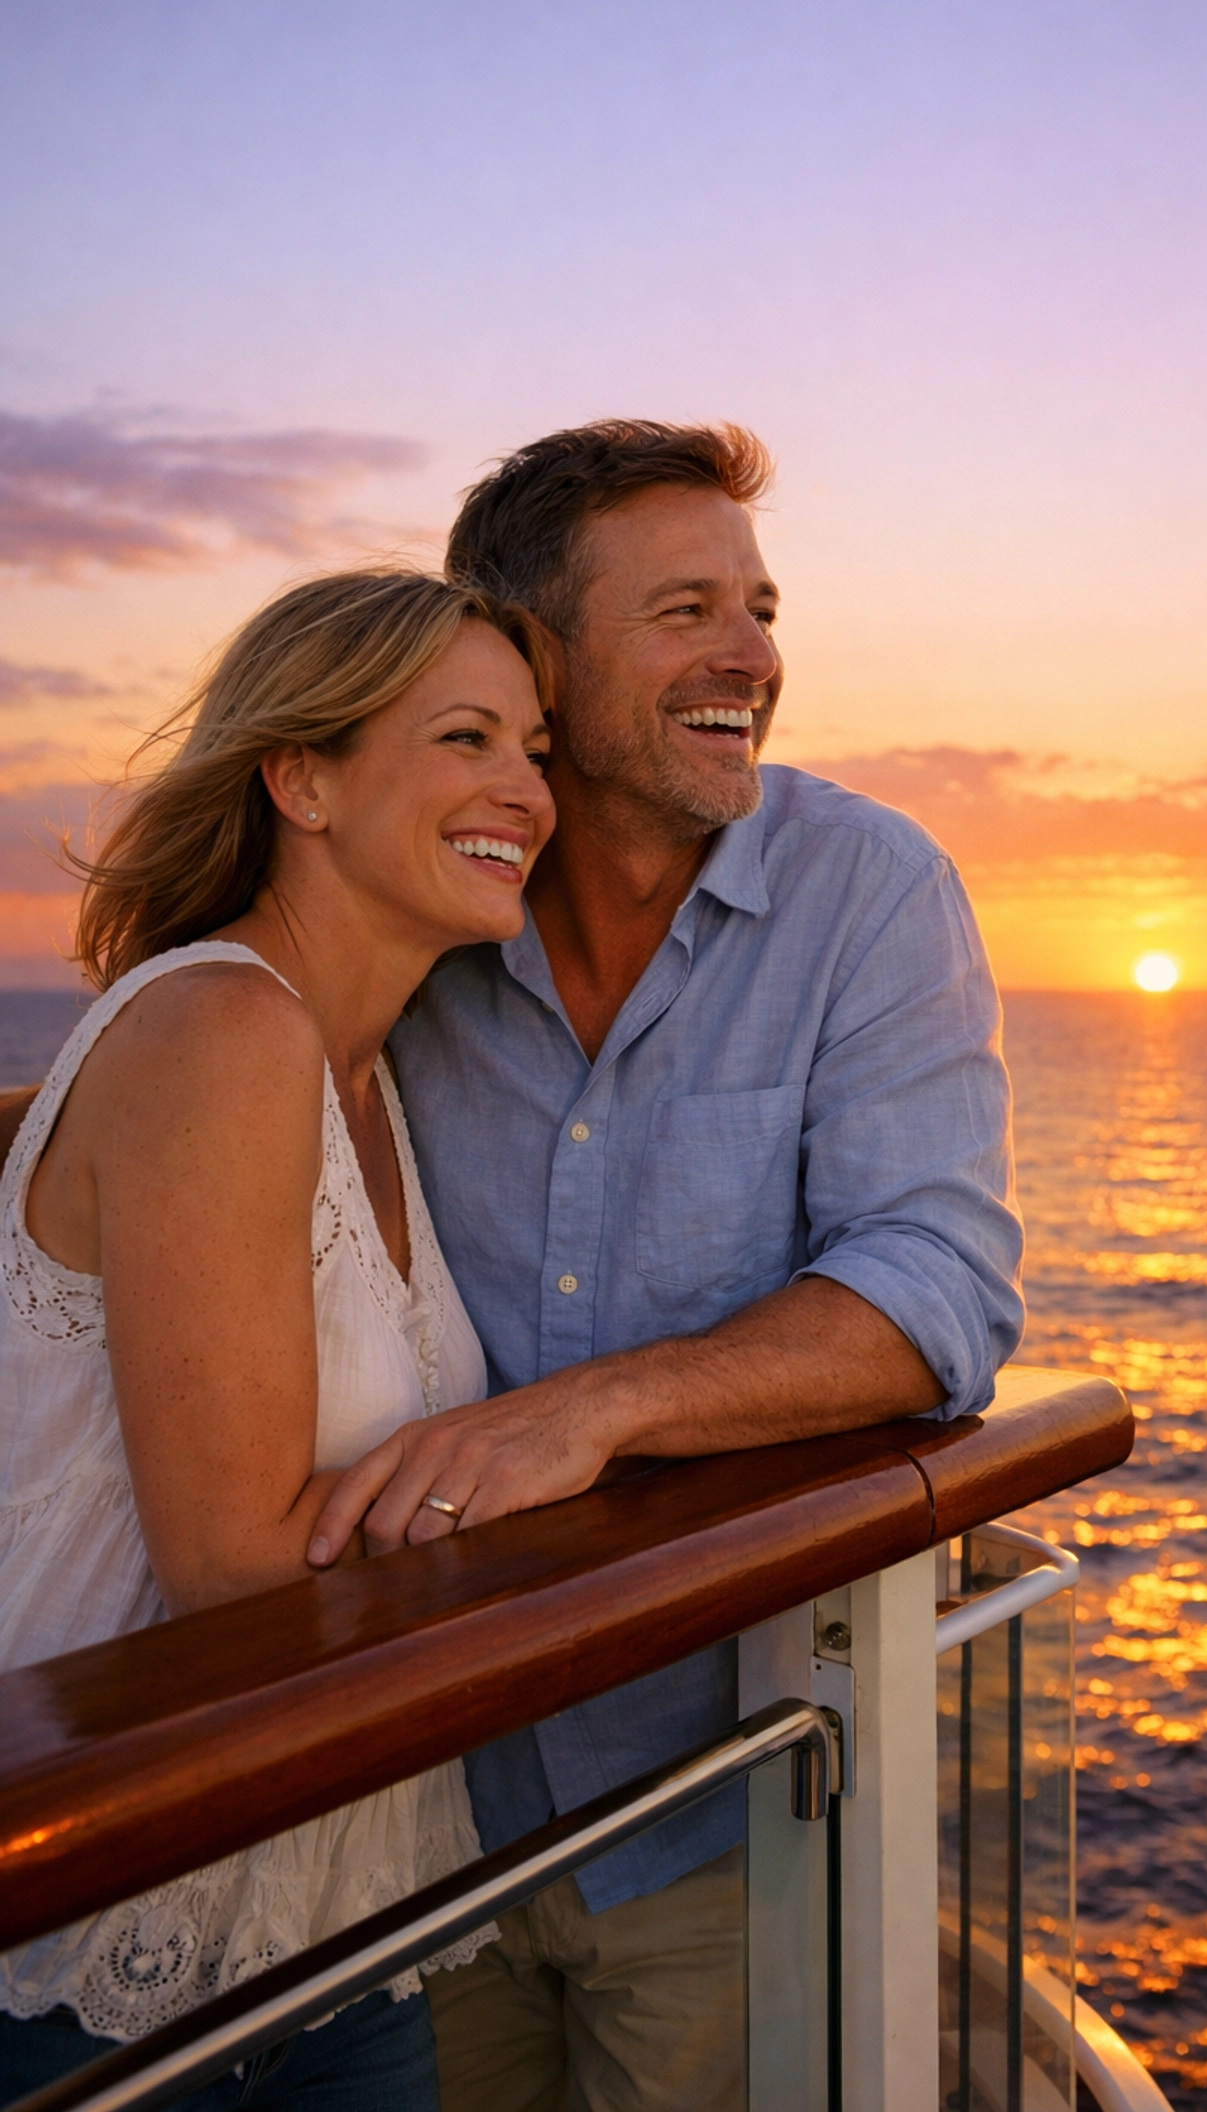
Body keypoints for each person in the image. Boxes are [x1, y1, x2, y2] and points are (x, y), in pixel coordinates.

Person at [306, 422, 1026, 2112]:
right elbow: (237, 1046)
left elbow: (940, 1285)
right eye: (687, 610)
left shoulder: (872, 891)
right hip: (419, 1810)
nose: (754, 659)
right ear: (531, 656)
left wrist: (599, 1413)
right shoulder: (426, 903)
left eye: (762, 609)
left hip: (732, 1792)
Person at [0, 571, 557, 2110]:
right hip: (117, 1932)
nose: (524, 787)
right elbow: (239, 1579)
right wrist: (558, 1502)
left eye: (537, 749)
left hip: (329, 1913)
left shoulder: (371, 1077)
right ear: (300, 779)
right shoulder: (222, 1035)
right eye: (465, 737)